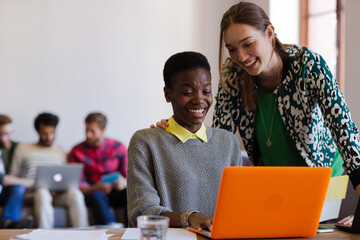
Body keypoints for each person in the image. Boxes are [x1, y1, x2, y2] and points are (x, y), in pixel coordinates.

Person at [156, 2, 360, 196]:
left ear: (269, 33)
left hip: (322, 175)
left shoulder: (308, 65)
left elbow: (343, 127)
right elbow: (220, 133)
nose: (241, 57)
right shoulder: (233, 73)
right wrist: (177, 129)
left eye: (248, 44)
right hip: (272, 179)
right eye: (232, 49)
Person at [128, 51, 242, 229]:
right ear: (167, 94)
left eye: (206, 91)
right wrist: (188, 218)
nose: (199, 100)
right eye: (188, 92)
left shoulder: (228, 142)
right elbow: (141, 212)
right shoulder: (145, 141)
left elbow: (237, 207)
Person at [10, 113, 88, 229]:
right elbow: (13, 176)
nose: (49, 137)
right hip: (33, 194)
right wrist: (31, 183)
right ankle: (45, 235)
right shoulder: (22, 148)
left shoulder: (61, 151)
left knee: (76, 194)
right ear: (38, 132)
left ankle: (84, 234)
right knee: (42, 193)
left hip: (57, 194)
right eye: (45, 134)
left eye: (52, 133)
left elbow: (65, 177)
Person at [68, 112, 128, 226]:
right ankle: (111, 228)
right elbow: (78, 184)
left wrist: (124, 182)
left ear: (103, 130)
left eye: (92, 131)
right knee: (96, 195)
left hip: (116, 191)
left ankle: (134, 228)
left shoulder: (118, 147)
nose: (88, 134)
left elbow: (129, 177)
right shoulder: (76, 151)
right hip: (93, 192)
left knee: (130, 191)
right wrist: (96, 187)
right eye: (86, 130)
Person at [0, 114, 34, 229]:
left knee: (18, 188)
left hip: (3, 193)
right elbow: (2, 179)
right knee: (19, 186)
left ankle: (8, 223)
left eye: (10, 133)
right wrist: (30, 182)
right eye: (4, 134)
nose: (9, 138)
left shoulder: (12, 146)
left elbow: (30, 147)